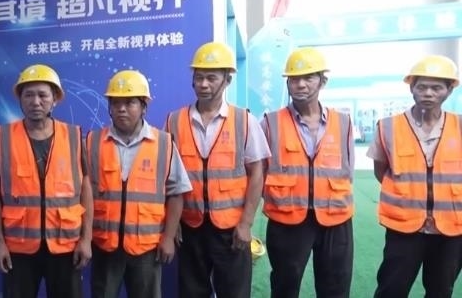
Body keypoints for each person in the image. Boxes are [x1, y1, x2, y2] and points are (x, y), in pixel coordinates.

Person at [163, 41, 269, 298]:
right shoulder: (174, 121)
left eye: (211, 78)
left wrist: (246, 223)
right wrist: (173, 222)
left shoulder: (244, 121)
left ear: (227, 80)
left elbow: (257, 173)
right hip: (190, 228)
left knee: (234, 293)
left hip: (231, 230)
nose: (203, 84)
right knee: (191, 293)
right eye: (199, 77)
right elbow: (167, 177)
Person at [0, 63, 92, 298]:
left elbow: (85, 187)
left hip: (65, 246)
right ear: (20, 99)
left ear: (55, 99)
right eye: (29, 95)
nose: (36, 102)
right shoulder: (3, 137)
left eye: (43, 95)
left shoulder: (73, 136)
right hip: (19, 248)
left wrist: (86, 240)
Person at [86, 70, 191, 298]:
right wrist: (85, 239)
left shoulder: (164, 143)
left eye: (130, 102)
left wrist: (168, 238)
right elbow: (83, 194)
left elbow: (177, 194)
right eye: (115, 103)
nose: (121, 109)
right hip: (104, 246)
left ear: (144, 106)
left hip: (147, 249)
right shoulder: (92, 142)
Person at [261, 47, 355, 298]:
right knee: (284, 287)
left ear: (323, 81)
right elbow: (259, 173)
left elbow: (348, 171)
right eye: (294, 79)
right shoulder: (270, 123)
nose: (300, 84)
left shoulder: (343, 122)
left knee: (336, 287)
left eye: (308, 77)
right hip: (287, 219)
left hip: (335, 218)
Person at [369, 55, 462, 298]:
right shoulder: (388, 127)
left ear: (449, 90)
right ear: (412, 88)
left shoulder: (460, 126)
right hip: (404, 227)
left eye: (436, 88)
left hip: (451, 228)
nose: (428, 93)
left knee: (441, 291)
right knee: (391, 289)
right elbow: (381, 170)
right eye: (422, 87)